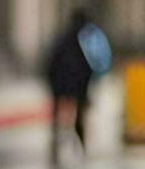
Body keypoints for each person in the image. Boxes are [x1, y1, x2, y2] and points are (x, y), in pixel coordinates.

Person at [46, 9, 109, 161]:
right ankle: (81, 147)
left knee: (59, 118)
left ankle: (57, 146)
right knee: (78, 118)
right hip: (77, 85)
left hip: (61, 85)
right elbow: (91, 65)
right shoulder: (85, 40)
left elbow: (51, 63)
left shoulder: (62, 39)